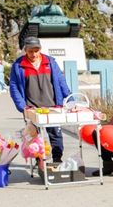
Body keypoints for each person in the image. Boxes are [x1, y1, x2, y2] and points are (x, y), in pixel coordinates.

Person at [9, 36, 71, 164]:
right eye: (30, 51)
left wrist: (70, 99)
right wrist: (22, 106)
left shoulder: (50, 62)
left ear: (40, 49)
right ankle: (39, 161)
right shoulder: (18, 65)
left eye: (36, 51)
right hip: (32, 108)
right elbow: (14, 88)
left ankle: (57, 158)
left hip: (52, 106)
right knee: (33, 137)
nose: (33, 54)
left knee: (55, 134)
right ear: (25, 50)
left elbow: (61, 81)